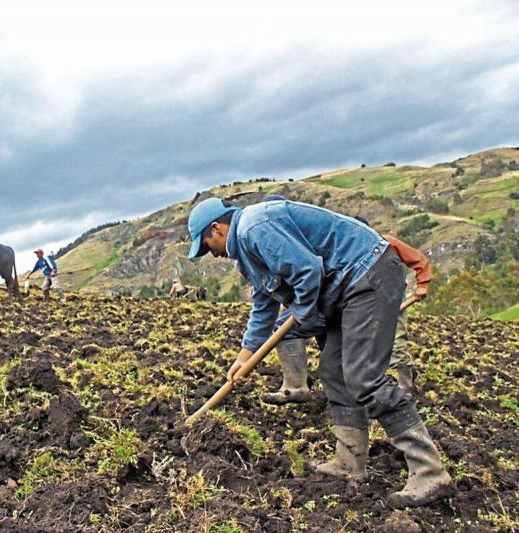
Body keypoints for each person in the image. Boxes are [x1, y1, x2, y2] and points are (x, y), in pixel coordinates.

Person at [187, 197, 451, 507]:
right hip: (345, 290)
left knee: (364, 376)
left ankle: (429, 471)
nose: (213, 255)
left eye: (207, 246)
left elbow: (307, 270)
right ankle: (350, 462)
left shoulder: (255, 228)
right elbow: (263, 305)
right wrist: (244, 356)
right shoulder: (249, 252)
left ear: (217, 228)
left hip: (368, 275)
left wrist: (303, 310)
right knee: (334, 371)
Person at [262, 230, 431, 403]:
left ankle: (405, 385)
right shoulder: (337, 248)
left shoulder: (384, 242)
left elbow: (418, 258)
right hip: (348, 296)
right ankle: (331, 383)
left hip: (388, 292)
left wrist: (422, 284)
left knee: (397, 339)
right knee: (332, 336)